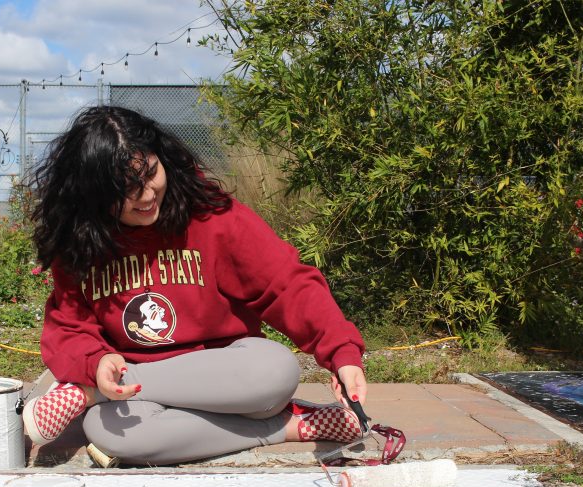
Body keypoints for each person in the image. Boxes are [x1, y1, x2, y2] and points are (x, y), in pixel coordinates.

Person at [24, 105, 368, 466]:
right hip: (139, 397)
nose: (145, 195)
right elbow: (68, 326)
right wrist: (95, 362)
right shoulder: (80, 245)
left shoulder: (212, 217)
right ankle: (291, 425)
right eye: (126, 189)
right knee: (106, 431)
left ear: (162, 158)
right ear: (91, 193)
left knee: (277, 369)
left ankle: (89, 394)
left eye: (151, 173)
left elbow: (288, 284)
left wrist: (342, 354)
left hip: (223, 378)